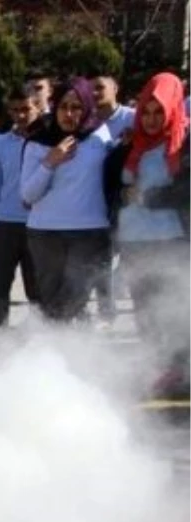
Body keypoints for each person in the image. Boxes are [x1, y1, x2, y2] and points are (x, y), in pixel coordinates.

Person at [113, 73, 191, 395]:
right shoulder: (132, 145)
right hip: (134, 241)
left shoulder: (184, 142)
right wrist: (121, 195)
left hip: (170, 239)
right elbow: (115, 186)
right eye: (146, 111)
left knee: (176, 308)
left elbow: (187, 190)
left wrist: (148, 198)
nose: (152, 119)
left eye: (159, 112)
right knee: (145, 311)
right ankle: (162, 369)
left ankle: (180, 370)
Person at [20, 77, 113, 323]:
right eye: (63, 107)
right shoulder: (38, 141)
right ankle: (54, 356)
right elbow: (28, 195)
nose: (69, 114)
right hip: (45, 233)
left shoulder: (100, 137)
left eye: (76, 107)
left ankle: (64, 351)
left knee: (75, 299)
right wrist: (50, 162)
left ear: (87, 108)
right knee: (50, 303)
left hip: (89, 232)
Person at [0, 85, 40, 330]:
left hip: (39, 224)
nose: (21, 115)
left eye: (26, 109)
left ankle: (42, 339)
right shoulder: (0, 145)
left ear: (37, 106)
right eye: (15, 110)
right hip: (5, 224)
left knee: (36, 287)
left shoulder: (47, 142)